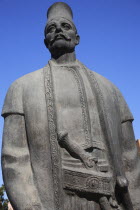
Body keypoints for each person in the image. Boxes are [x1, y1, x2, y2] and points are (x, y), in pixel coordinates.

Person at [1, 2, 140, 210]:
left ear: (77, 38)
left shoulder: (112, 91)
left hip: (110, 200)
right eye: (51, 28)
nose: (58, 30)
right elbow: (14, 159)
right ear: (45, 42)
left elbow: (131, 157)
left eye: (65, 26)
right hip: (55, 201)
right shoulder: (20, 89)